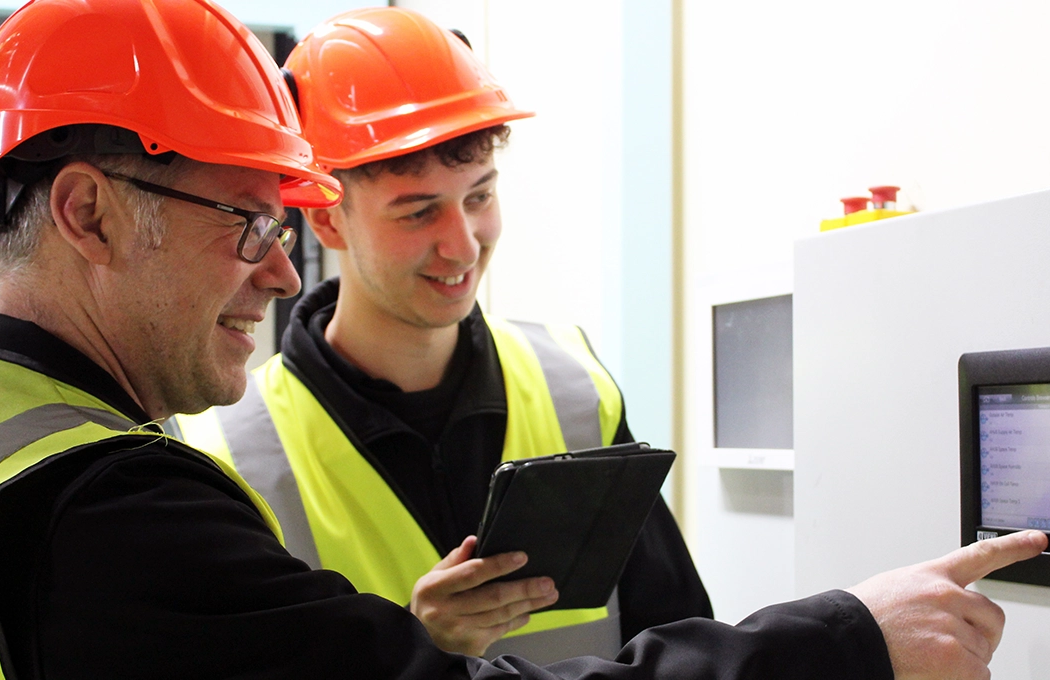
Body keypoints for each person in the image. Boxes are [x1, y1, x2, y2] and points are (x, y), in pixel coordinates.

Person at [0, 1, 1047, 678]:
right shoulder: (132, 495)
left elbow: (676, 614)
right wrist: (845, 641)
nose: (279, 270)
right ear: (86, 213)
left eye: (476, 193)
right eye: (248, 222)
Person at [173, 7, 709, 663]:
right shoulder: (231, 454)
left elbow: (682, 644)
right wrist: (410, 649)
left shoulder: (577, 389)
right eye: (419, 211)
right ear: (328, 221)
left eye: (479, 197)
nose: (462, 246)